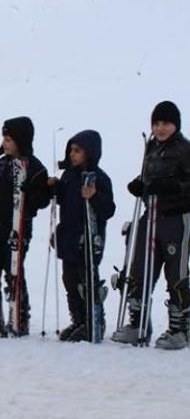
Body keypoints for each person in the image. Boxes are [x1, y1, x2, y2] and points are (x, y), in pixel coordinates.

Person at [112, 101, 190, 349]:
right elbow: (148, 177)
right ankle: (138, 323)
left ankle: (180, 328)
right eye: (156, 123)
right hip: (151, 213)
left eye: (166, 123)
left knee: (175, 273)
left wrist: (173, 187)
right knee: (139, 266)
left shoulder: (184, 149)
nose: (160, 128)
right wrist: (139, 184)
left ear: (175, 124)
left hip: (176, 216)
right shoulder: (151, 147)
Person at [0, 116, 50, 337]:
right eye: (3, 139)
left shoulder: (34, 166)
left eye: (8, 139)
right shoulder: (2, 163)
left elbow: (42, 199)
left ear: (21, 140)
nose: (5, 144)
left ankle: (20, 315)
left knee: (13, 267)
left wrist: (32, 192)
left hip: (20, 224)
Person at [49, 130, 115, 342]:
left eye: (77, 151)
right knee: (69, 281)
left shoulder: (99, 178)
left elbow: (108, 210)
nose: (72, 155)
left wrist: (94, 196)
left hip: (88, 239)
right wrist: (55, 187)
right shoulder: (69, 176)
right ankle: (78, 319)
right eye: (71, 150)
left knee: (86, 280)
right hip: (69, 237)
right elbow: (65, 201)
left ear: (90, 153)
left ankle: (94, 319)